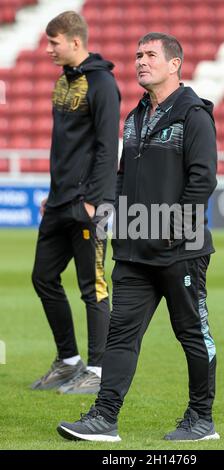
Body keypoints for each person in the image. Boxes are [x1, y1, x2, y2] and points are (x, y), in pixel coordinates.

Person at [57, 32, 219, 440]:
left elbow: (202, 182)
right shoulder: (134, 117)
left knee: (192, 335)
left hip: (179, 250)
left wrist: (170, 233)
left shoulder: (194, 115)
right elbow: (124, 176)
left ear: (174, 64)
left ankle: (201, 420)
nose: (141, 61)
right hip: (133, 250)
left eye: (150, 55)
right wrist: (112, 216)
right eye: (137, 55)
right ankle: (104, 418)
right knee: (121, 334)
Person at [31, 11, 120, 394]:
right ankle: (69, 361)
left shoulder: (102, 84)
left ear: (75, 42)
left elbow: (106, 147)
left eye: (54, 42)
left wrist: (94, 201)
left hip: (88, 205)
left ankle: (99, 372)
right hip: (59, 202)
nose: (49, 49)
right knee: (43, 277)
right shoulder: (64, 82)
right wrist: (54, 194)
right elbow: (63, 147)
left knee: (93, 288)